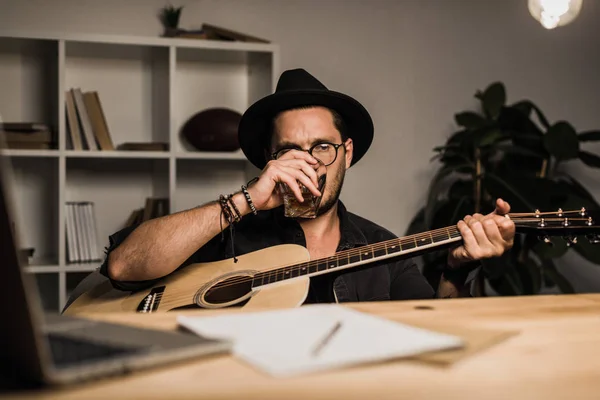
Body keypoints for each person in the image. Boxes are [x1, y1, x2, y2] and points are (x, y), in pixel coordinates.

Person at [100, 68, 515, 302]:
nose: (307, 163)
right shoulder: (228, 231)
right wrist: (245, 201)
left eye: (322, 147)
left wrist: (458, 271)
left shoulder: (385, 250)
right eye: (288, 150)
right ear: (270, 161)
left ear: (347, 153)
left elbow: (434, 331)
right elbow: (122, 265)